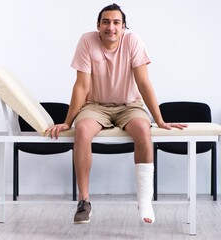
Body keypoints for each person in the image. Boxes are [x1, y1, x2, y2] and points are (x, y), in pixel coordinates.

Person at [45, 3, 187, 224]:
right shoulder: (86, 41)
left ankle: (145, 199)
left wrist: (159, 119)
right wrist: (67, 122)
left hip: (129, 105)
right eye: (105, 22)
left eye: (116, 22)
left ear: (123, 27)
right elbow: (81, 86)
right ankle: (84, 201)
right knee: (81, 130)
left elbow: (143, 82)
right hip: (95, 105)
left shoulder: (133, 42)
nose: (110, 27)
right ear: (98, 25)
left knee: (142, 129)